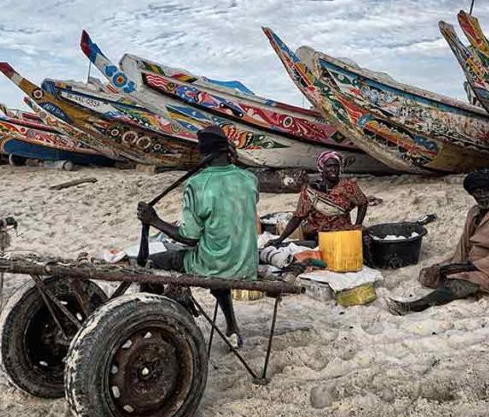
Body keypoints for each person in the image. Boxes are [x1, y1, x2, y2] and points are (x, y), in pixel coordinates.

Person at [136, 124, 258, 347]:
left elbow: (189, 237)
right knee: (215, 255)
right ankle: (232, 327)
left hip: (213, 263)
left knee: (154, 262)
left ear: (203, 153)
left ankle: (152, 326)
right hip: (246, 264)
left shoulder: (197, 184)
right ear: (227, 151)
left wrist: (154, 221)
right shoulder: (249, 179)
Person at [387, 168, 489, 315]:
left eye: (488, 191)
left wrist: (470, 267)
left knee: (458, 283)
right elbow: (464, 246)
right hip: (474, 262)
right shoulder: (473, 212)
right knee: (430, 274)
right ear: (472, 194)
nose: (483, 196)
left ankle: (415, 306)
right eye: (478, 192)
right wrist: (454, 265)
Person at [268, 151, 368, 247]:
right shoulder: (311, 191)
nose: (333, 169)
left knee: (364, 235)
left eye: (336, 166)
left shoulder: (348, 186)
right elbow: (298, 217)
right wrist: (280, 239)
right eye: (329, 166)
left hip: (343, 230)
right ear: (321, 168)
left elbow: (363, 202)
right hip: (319, 233)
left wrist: (357, 225)